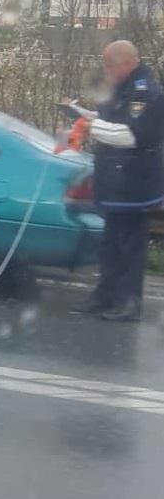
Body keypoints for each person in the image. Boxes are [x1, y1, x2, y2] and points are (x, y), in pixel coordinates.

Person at [70, 41, 164, 322]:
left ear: (127, 63)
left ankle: (129, 302)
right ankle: (105, 296)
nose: (106, 70)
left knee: (130, 245)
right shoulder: (122, 90)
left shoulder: (144, 93)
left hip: (134, 183)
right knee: (110, 243)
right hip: (116, 181)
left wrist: (91, 127)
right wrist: (85, 117)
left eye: (109, 64)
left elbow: (130, 135)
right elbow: (112, 118)